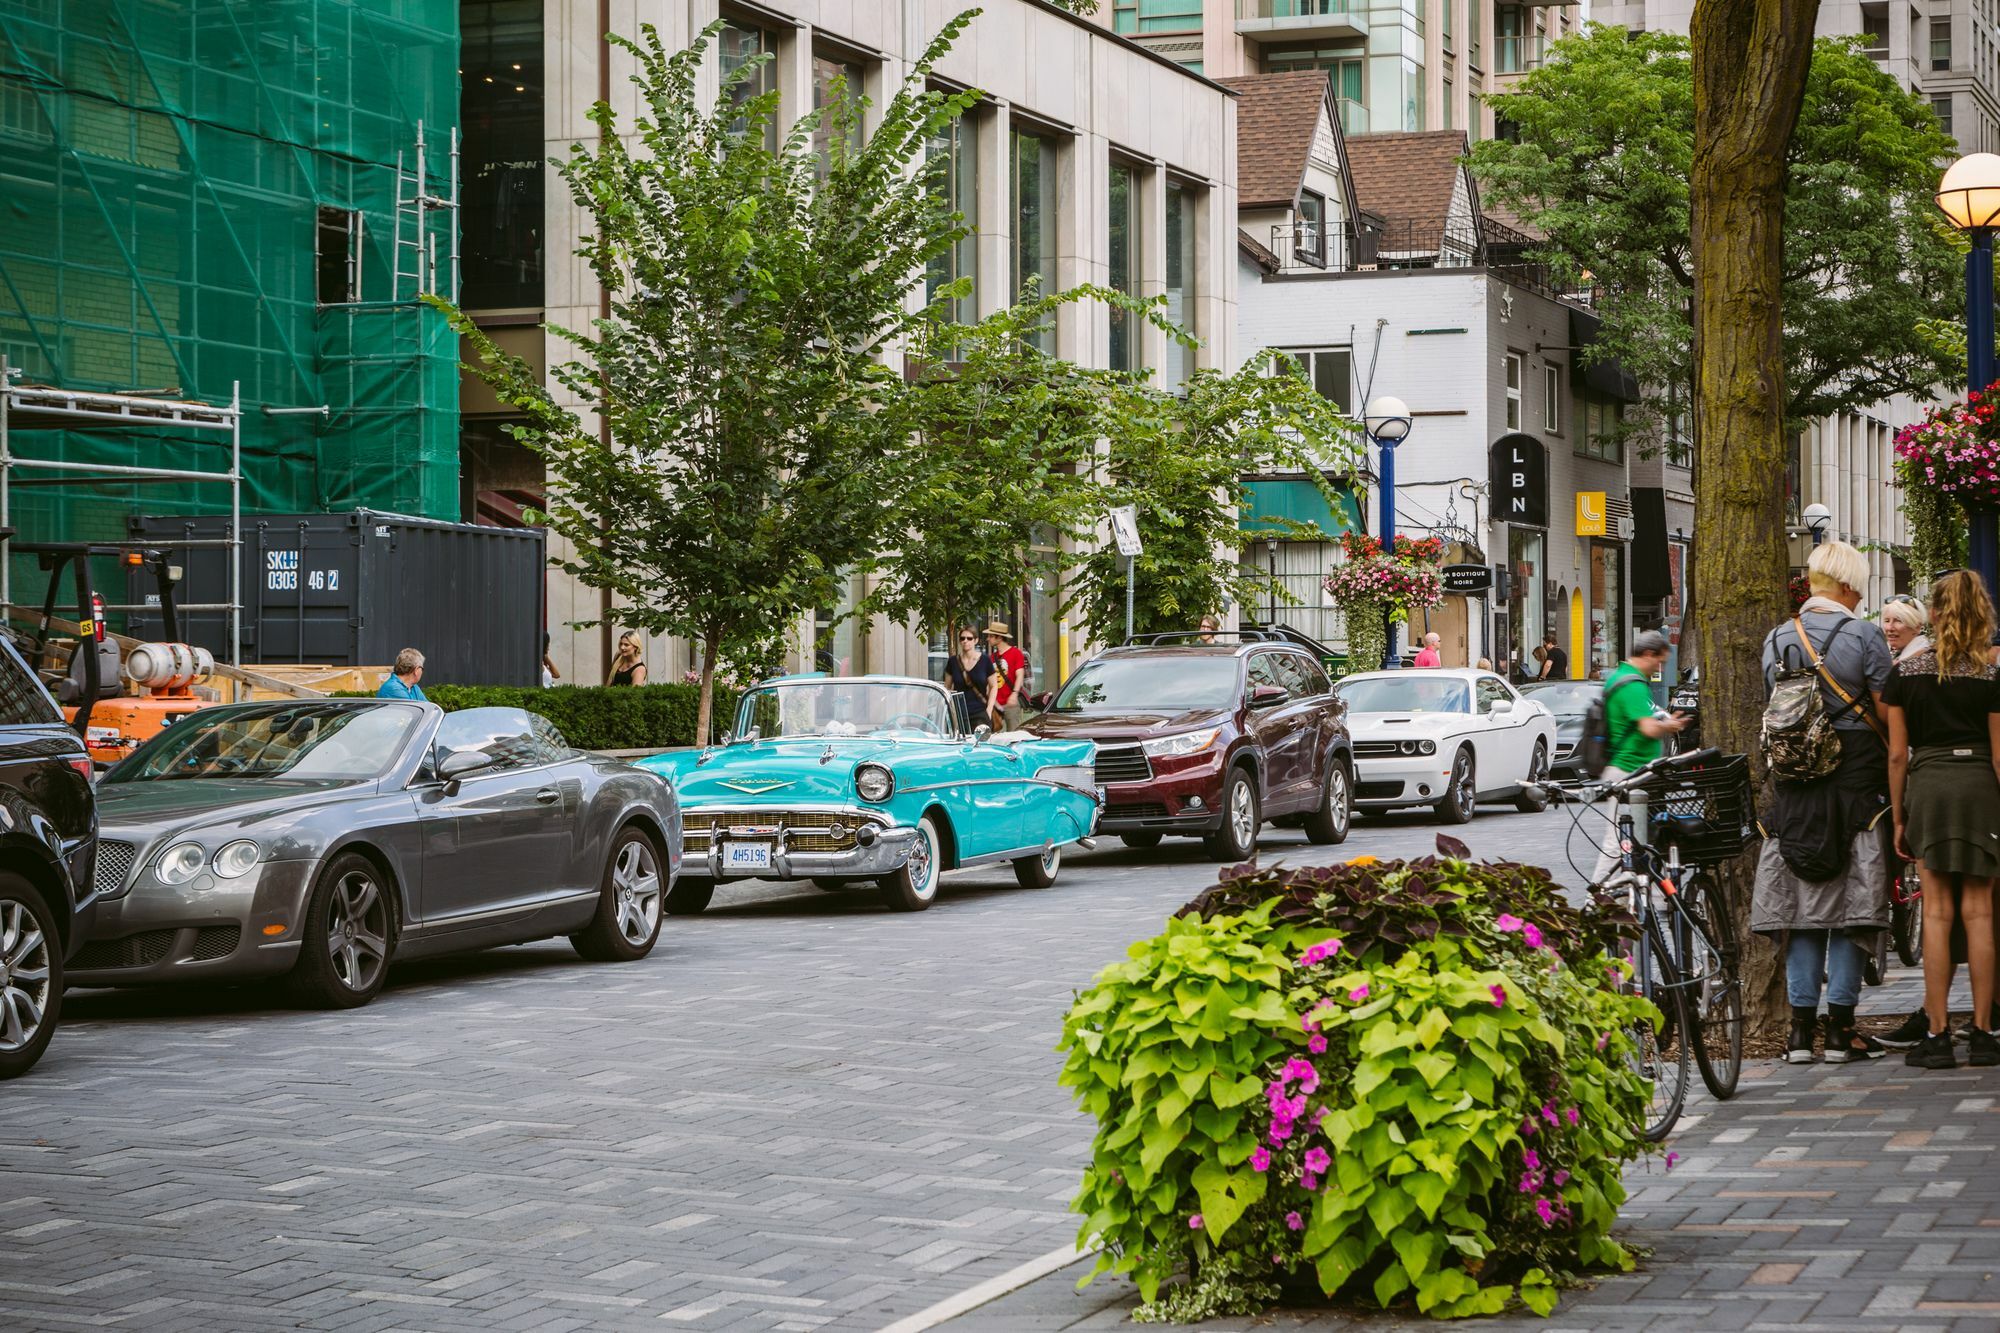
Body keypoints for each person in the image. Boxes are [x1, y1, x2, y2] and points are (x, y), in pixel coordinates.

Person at [1751, 540, 1893, 1064]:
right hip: (1857, 786)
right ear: (1850, 585)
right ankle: (1840, 1030)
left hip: (1794, 788)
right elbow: (1887, 712)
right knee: (1853, 907)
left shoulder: (1777, 637)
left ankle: (1797, 1036)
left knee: (1803, 909)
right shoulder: (1864, 635)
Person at [1884, 570, 2000, 1069]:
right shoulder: (1991, 675)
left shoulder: (1907, 674)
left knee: (1936, 913)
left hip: (1929, 786)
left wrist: (1898, 818)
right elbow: (1999, 756)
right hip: (1978, 789)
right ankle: (1981, 1031)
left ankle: (1936, 1034)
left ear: (1932, 614)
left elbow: (1895, 754)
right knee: (1979, 912)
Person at [1590, 631, 1689, 884]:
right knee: (1618, 844)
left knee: (1641, 841)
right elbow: (1648, 728)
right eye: (1660, 661)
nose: (1660, 667)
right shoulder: (1632, 684)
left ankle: (1636, 900)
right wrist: (1671, 726)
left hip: (1631, 770)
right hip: (1630, 772)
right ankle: (1598, 901)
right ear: (1648, 654)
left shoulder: (1620, 677)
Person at [943, 626, 995, 730]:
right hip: (958, 715)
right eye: (962, 638)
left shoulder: (985, 660)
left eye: (969, 638)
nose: (965, 641)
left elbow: (994, 686)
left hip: (979, 713)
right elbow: (947, 688)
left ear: (976, 640)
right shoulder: (953, 662)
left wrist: (989, 710)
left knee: (980, 745)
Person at [984, 621, 1028, 730]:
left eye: (991, 636)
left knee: (1013, 736)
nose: (988, 639)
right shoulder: (991, 657)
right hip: (995, 703)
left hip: (1011, 703)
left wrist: (1014, 694)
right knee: (992, 737)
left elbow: (1020, 675)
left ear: (999, 638)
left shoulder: (1016, 653)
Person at [1881, 594, 1931, 663]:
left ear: (1917, 627)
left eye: (1898, 620)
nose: (1890, 628)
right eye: (1887, 621)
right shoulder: (1891, 654)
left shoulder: (1924, 660)